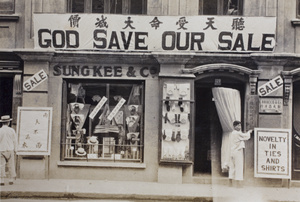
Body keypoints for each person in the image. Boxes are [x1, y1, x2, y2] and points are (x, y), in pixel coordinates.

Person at [228, 120, 252, 188]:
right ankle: (238, 184)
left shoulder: (232, 133)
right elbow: (246, 136)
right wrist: (249, 132)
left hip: (232, 151)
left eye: (240, 125)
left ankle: (230, 182)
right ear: (234, 126)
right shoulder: (237, 133)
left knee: (232, 167)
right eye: (238, 126)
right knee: (239, 167)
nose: (239, 127)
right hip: (237, 152)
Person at [0, 115, 17, 186]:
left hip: (1, 149)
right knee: (11, 165)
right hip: (10, 149)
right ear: (8, 122)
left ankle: (2, 180)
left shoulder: (0, 130)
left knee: (1, 165)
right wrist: (16, 149)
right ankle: (11, 179)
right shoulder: (12, 130)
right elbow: (15, 141)